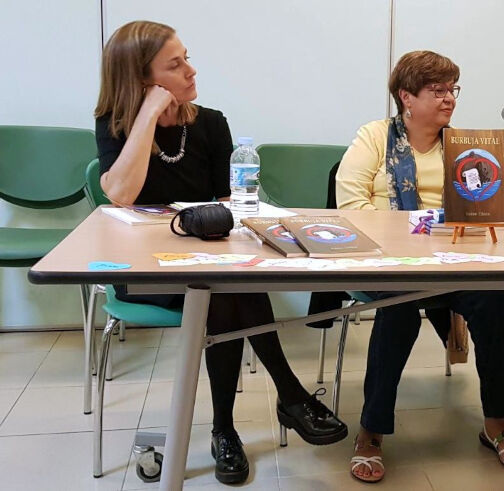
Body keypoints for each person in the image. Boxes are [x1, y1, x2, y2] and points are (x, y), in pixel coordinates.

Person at [94, 21, 347, 485]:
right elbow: (121, 195)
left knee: (225, 291)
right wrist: (148, 115)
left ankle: (228, 428)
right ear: (142, 79)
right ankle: (285, 398)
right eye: (175, 64)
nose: (191, 70)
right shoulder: (117, 126)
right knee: (226, 292)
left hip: (209, 259)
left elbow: (231, 204)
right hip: (148, 270)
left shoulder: (210, 123)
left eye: (187, 56)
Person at [336, 50, 504, 483]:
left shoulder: (465, 145)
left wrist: (482, 212)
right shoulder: (374, 137)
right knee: (401, 308)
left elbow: (480, 204)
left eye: (452, 90)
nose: (449, 100)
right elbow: (351, 209)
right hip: (386, 264)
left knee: (492, 298)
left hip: (453, 262)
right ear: (407, 96)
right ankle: (370, 430)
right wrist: (419, 229)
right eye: (437, 91)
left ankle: (496, 423)